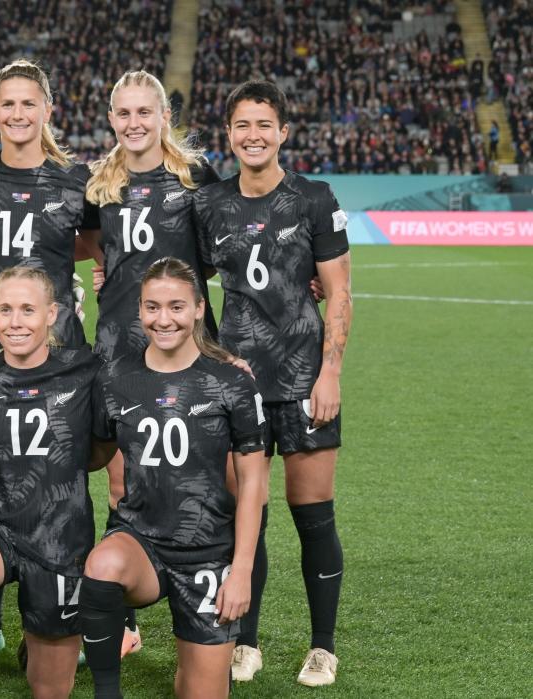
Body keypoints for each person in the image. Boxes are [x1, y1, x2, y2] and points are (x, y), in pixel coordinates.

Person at [193, 80, 352, 687]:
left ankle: (323, 646)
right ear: (229, 134)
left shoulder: (313, 198)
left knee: (313, 515)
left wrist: (330, 371)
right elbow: (187, 285)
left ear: (283, 132)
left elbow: (338, 292)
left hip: (305, 382)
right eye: (242, 125)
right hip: (239, 388)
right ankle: (246, 641)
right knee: (244, 515)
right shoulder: (210, 206)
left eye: (265, 124)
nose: (253, 135)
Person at [81, 256, 266, 699]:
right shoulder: (115, 377)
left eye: (176, 307)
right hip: (140, 540)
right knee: (102, 565)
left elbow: (255, 484)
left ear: (200, 308)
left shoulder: (232, 383)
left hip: (207, 554)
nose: (163, 319)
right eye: (152, 307)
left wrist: (241, 572)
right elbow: (94, 453)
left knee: (199, 691)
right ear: (140, 310)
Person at [0, 265, 113, 699]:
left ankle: (39, 644)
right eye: (5, 310)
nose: (16, 322)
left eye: (28, 310)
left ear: (52, 314)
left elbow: (102, 452)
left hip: (60, 539)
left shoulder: (85, 370)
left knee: (49, 690)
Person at [0, 59, 98, 358]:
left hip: (56, 338)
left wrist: (54, 258)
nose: (17, 114)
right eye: (7, 104)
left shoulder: (76, 179)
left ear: (47, 110)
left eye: (28, 104)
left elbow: (99, 250)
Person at [86, 70, 219, 362]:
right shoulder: (96, 182)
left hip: (187, 336)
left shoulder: (195, 175)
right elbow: (92, 241)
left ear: (165, 116)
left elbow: (217, 255)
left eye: (144, 112)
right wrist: (113, 270)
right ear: (111, 119)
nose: (134, 124)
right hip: (118, 336)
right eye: (124, 113)